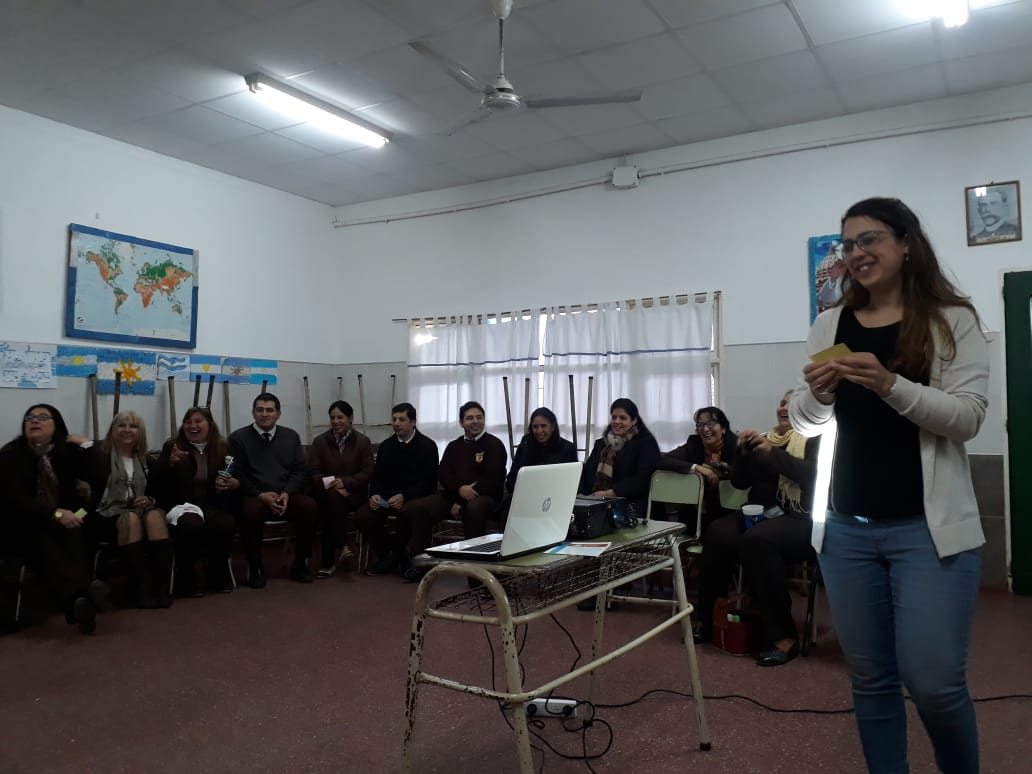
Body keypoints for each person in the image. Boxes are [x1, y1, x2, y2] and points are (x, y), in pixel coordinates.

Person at [792, 197, 988, 773]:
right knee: (872, 680)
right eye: (847, 244)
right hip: (846, 532)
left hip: (929, 534)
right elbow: (804, 425)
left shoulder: (953, 319)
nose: (857, 253)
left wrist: (889, 385)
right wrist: (819, 396)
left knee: (935, 684)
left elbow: (969, 417)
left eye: (870, 239)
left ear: (906, 244)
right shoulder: (829, 325)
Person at [694, 391, 819, 667]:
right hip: (759, 514)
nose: (784, 407)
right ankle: (709, 618)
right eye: (782, 402)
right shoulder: (767, 439)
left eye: (792, 402)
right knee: (716, 532)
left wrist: (772, 454)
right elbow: (739, 483)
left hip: (801, 518)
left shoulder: (816, 438)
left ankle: (783, 638)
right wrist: (743, 453)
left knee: (758, 540)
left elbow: (813, 478)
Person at [0, 404, 109, 634]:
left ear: (56, 425)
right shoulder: (10, 455)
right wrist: (57, 514)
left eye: (42, 417)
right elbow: (16, 501)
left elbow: (99, 478)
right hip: (17, 526)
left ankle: (79, 606)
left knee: (79, 529)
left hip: (57, 522)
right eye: (29, 417)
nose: (34, 421)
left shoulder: (64, 453)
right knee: (42, 536)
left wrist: (88, 446)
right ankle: (86, 592)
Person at [223, 392, 319, 587]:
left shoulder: (291, 436)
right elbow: (238, 473)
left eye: (269, 410)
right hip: (255, 495)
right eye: (260, 410)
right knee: (250, 511)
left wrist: (287, 493)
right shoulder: (238, 438)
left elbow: (300, 470)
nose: (264, 414)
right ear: (253, 413)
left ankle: (300, 563)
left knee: (309, 506)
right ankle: (256, 567)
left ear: (278, 414)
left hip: (285, 494)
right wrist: (260, 495)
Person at [82, 411, 173, 609]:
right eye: (121, 425)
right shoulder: (99, 454)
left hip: (138, 512)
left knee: (156, 517)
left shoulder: (146, 461)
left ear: (140, 433)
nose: (127, 430)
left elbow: (162, 493)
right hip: (104, 514)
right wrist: (82, 441)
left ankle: (161, 588)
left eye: (133, 426)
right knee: (130, 518)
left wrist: (149, 499)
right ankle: (141, 588)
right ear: (112, 431)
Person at [149, 407, 237, 596]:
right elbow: (155, 483)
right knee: (191, 524)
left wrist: (231, 483)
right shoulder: (173, 446)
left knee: (225, 522)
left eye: (198, 421)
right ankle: (186, 577)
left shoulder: (222, 447)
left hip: (209, 503)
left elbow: (234, 475)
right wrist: (168, 464)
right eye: (188, 422)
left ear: (210, 426)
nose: (192, 425)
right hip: (179, 503)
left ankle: (216, 574)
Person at [355, 403, 441, 579]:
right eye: (394, 419)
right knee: (363, 515)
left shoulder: (427, 446)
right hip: (388, 498)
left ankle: (415, 563)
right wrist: (374, 494)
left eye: (402, 419)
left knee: (412, 512)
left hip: (415, 497)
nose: (396, 423)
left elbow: (428, 483)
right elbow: (378, 478)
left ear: (413, 422)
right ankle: (394, 556)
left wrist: (405, 496)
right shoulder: (387, 446)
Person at [306, 400, 374, 578]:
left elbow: (367, 472)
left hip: (354, 494)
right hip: (327, 492)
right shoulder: (320, 442)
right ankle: (342, 545)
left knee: (330, 507)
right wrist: (334, 485)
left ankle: (328, 563)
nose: (336, 421)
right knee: (332, 501)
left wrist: (345, 483)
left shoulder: (363, 442)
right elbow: (313, 472)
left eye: (340, 417)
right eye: (332, 417)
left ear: (350, 418)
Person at [578, 398, 659, 518]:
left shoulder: (646, 443)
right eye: (614, 417)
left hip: (631, 505)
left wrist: (609, 493)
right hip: (597, 502)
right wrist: (581, 495)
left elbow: (642, 479)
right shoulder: (602, 444)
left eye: (623, 418)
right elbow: (588, 472)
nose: (617, 421)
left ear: (634, 420)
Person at [658, 406, 738, 525]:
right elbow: (663, 460)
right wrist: (699, 468)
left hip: (730, 510)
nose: (705, 429)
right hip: (696, 511)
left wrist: (726, 471)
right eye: (700, 425)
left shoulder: (736, 445)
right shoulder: (694, 443)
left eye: (711, 423)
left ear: (723, 427)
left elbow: (745, 473)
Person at [505, 407, 579, 492]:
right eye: (535, 427)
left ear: (553, 427)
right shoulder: (524, 447)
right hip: (528, 494)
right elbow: (511, 480)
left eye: (543, 426)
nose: (539, 431)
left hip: (556, 495)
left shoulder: (568, 449)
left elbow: (573, 482)